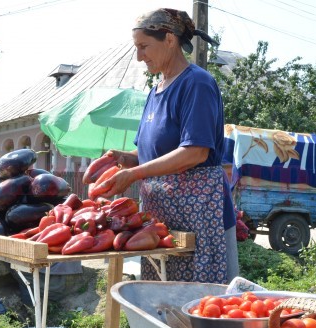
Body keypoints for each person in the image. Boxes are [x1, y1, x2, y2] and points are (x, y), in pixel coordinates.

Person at [97, 8, 238, 284]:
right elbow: (150, 153)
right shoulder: (156, 90)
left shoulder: (197, 83)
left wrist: (135, 174)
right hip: (164, 218)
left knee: (205, 302)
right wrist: (125, 159)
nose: (139, 56)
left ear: (170, 40)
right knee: (164, 301)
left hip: (201, 217)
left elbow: (196, 152)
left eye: (144, 46)